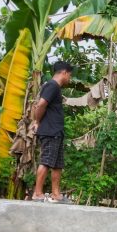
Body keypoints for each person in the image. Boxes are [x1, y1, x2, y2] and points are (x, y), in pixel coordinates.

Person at [32, 61, 73, 203]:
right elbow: (41, 104)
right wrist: (37, 122)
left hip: (56, 131)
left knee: (57, 164)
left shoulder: (55, 88)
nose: (70, 78)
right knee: (47, 161)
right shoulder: (52, 85)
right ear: (64, 73)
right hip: (49, 131)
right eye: (70, 75)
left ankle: (56, 195)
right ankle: (37, 193)